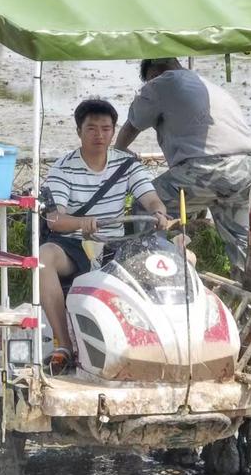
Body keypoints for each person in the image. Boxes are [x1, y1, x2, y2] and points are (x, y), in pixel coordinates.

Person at [41, 98, 170, 374]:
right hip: (75, 245)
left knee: (182, 255)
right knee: (43, 257)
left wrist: (158, 212)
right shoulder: (63, 168)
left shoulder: (127, 165)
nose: (99, 135)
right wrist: (81, 222)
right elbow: (55, 219)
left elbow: (150, 198)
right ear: (79, 131)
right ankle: (63, 344)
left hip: (116, 245)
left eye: (105, 129)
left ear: (114, 131)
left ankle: (165, 344)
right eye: (91, 129)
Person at [114, 57, 251, 282]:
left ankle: (147, 275)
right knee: (240, 241)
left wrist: (117, 151)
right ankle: (249, 298)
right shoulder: (207, 86)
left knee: (145, 205)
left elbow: (133, 124)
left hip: (210, 168)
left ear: (153, 74)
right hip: (250, 168)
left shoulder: (161, 82)